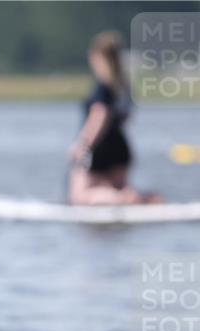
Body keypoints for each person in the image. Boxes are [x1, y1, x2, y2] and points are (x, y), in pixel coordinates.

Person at [68, 31, 160, 205]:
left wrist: (82, 145)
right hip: (120, 147)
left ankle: (127, 198)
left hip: (99, 146)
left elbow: (100, 115)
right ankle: (144, 198)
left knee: (80, 196)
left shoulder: (103, 86)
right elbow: (126, 116)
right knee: (116, 186)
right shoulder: (123, 87)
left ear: (98, 57)